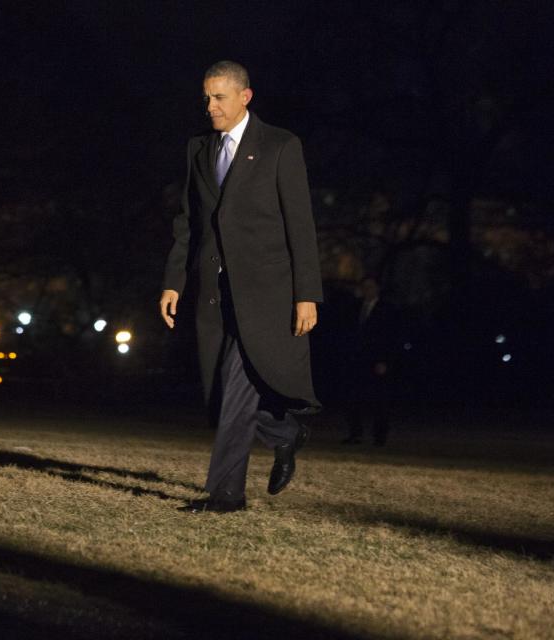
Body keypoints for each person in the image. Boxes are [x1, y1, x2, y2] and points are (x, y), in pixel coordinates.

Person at [160, 61, 323, 513]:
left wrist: (306, 293)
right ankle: (285, 431)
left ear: (245, 97)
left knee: (236, 388)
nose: (210, 106)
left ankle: (226, 494)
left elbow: (301, 225)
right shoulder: (199, 149)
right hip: (215, 294)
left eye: (219, 98)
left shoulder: (280, 146)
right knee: (218, 393)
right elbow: (188, 223)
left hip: (267, 293)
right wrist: (174, 282)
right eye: (207, 98)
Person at [342, 277, 399, 446]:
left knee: (379, 401)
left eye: (371, 287)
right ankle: (355, 434)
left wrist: (385, 361)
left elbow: (391, 338)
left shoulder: (387, 309)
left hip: (376, 362)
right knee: (353, 398)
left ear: (377, 288)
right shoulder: (355, 308)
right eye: (365, 287)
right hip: (356, 361)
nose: (367, 290)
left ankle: (379, 436)